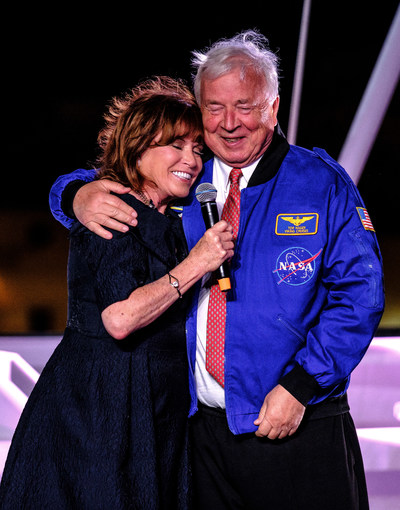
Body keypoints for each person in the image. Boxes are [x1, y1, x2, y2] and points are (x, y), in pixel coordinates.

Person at [47, 31, 384, 510]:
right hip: (197, 435)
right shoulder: (184, 178)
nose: (229, 124)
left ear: (273, 107)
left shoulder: (320, 182)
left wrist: (302, 386)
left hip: (297, 421)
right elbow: (121, 170)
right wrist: (73, 193)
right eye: (214, 107)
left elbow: (361, 298)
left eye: (244, 105)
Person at [0, 76, 234, 510]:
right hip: (101, 409)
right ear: (138, 146)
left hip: (157, 408)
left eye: (197, 150)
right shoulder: (112, 211)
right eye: (176, 145)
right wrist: (197, 264)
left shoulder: (177, 218)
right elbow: (119, 319)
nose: (192, 160)